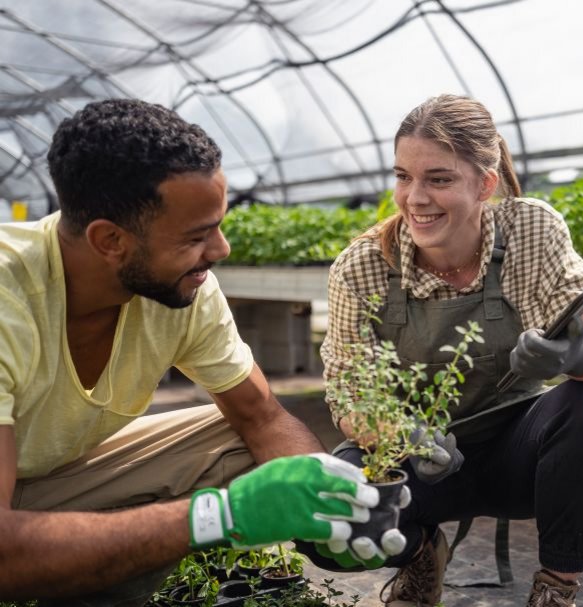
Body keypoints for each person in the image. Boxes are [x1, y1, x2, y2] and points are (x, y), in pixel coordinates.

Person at [0, 98, 396, 606]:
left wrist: (332, 510)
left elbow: (262, 419)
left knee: (235, 440)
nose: (221, 249)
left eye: (219, 224)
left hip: (45, 485)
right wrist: (217, 517)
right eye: (196, 235)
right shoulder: (12, 297)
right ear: (109, 240)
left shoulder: (182, 288)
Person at [314, 94, 583, 606]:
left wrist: (577, 356)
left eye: (438, 179)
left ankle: (556, 590)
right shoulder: (363, 268)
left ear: (485, 183)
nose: (415, 197)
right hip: (420, 466)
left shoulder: (529, 229)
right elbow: (349, 394)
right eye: (403, 176)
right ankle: (421, 552)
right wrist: (401, 436)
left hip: (520, 455)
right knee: (329, 508)